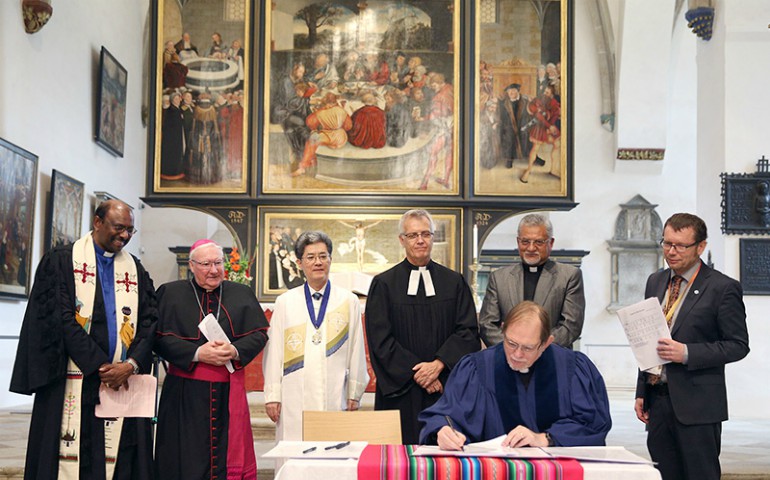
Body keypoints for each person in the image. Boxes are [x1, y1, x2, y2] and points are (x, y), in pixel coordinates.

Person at [10, 200, 157, 479]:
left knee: (122, 461)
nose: (125, 235)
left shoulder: (134, 268)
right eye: (119, 227)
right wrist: (102, 366)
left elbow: (150, 320)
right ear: (98, 222)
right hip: (73, 379)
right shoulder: (61, 261)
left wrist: (131, 364)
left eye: (130, 230)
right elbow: (59, 319)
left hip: (123, 379)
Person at [634, 213, 750, 480]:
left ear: (700, 247)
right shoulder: (655, 281)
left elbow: (738, 345)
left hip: (698, 407)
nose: (671, 251)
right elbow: (648, 339)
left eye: (680, 246)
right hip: (658, 401)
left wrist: (686, 353)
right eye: (667, 243)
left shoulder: (722, 288)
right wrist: (642, 390)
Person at [419, 301, 611, 450]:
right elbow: (447, 414)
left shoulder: (572, 369)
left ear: (546, 343)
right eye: (511, 343)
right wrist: (443, 431)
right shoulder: (477, 369)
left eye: (528, 348)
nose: (517, 354)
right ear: (503, 329)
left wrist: (545, 438)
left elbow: (594, 423)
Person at [154, 239, 269, 480]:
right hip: (183, 394)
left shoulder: (241, 293)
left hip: (227, 393)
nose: (214, 270)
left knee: (224, 459)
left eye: (218, 263)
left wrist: (234, 350)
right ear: (192, 265)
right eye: (206, 264)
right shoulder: (171, 293)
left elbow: (259, 334)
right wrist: (197, 353)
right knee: (183, 457)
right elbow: (158, 339)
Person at [365, 209, 480, 444]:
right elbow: (380, 340)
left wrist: (438, 365)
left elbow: (468, 332)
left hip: (444, 389)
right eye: (413, 235)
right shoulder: (383, 284)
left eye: (426, 234)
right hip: (401, 390)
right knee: (400, 457)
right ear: (402, 240)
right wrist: (419, 374)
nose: (420, 240)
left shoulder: (454, 282)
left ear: (433, 238)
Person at [263, 231, 369, 441]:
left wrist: (354, 392)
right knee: (295, 449)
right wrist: (273, 395)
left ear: (330, 259)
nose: (317, 262)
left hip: (335, 391)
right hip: (294, 393)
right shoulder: (286, 302)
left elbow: (357, 348)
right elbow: (274, 352)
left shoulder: (348, 300)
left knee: (333, 449)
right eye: (310, 257)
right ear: (300, 263)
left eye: (323, 256)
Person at [478, 213, 584, 349]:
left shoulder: (569, 276)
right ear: (518, 242)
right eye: (525, 241)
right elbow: (487, 325)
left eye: (539, 242)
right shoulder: (499, 278)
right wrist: (513, 350)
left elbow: (571, 326)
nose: (531, 248)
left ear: (551, 243)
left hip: (551, 356)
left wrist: (535, 349)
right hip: (507, 358)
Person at [293, 93, 352, 177]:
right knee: (314, 139)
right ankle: (312, 163)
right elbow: (348, 126)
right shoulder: (341, 110)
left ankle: (303, 167)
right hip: (340, 138)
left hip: (326, 136)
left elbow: (310, 123)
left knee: (312, 141)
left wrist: (319, 114)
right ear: (335, 101)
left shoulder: (320, 112)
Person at [499, 83, 530, 169]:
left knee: (526, 138)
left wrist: (526, 125)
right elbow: (502, 117)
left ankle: (532, 156)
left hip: (522, 124)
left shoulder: (525, 102)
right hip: (509, 125)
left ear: (518, 91)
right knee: (509, 138)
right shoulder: (504, 103)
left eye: (513, 91)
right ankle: (509, 159)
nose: (510, 93)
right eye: (509, 92)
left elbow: (529, 115)